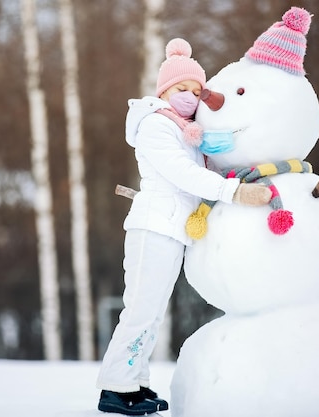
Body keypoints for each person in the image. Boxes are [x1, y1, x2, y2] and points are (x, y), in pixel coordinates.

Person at [96, 38, 272, 415]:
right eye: (182, 89)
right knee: (141, 308)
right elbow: (183, 174)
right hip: (153, 228)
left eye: (196, 90)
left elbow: (201, 168)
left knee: (154, 310)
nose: (190, 98)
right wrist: (232, 192)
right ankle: (116, 386)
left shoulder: (186, 131)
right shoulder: (156, 127)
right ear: (164, 90)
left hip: (170, 229)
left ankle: (135, 384)